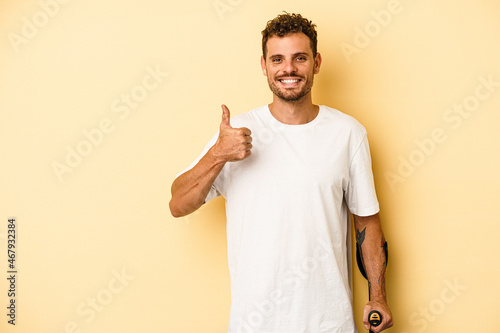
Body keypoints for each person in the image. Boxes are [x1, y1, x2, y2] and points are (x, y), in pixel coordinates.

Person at [170, 12, 393, 333]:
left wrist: (379, 295)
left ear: (316, 63)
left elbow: (367, 222)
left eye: (299, 58)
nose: (288, 68)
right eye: (277, 59)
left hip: (329, 321)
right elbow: (178, 204)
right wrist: (218, 154)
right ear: (264, 65)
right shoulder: (236, 134)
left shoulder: (347, 133)